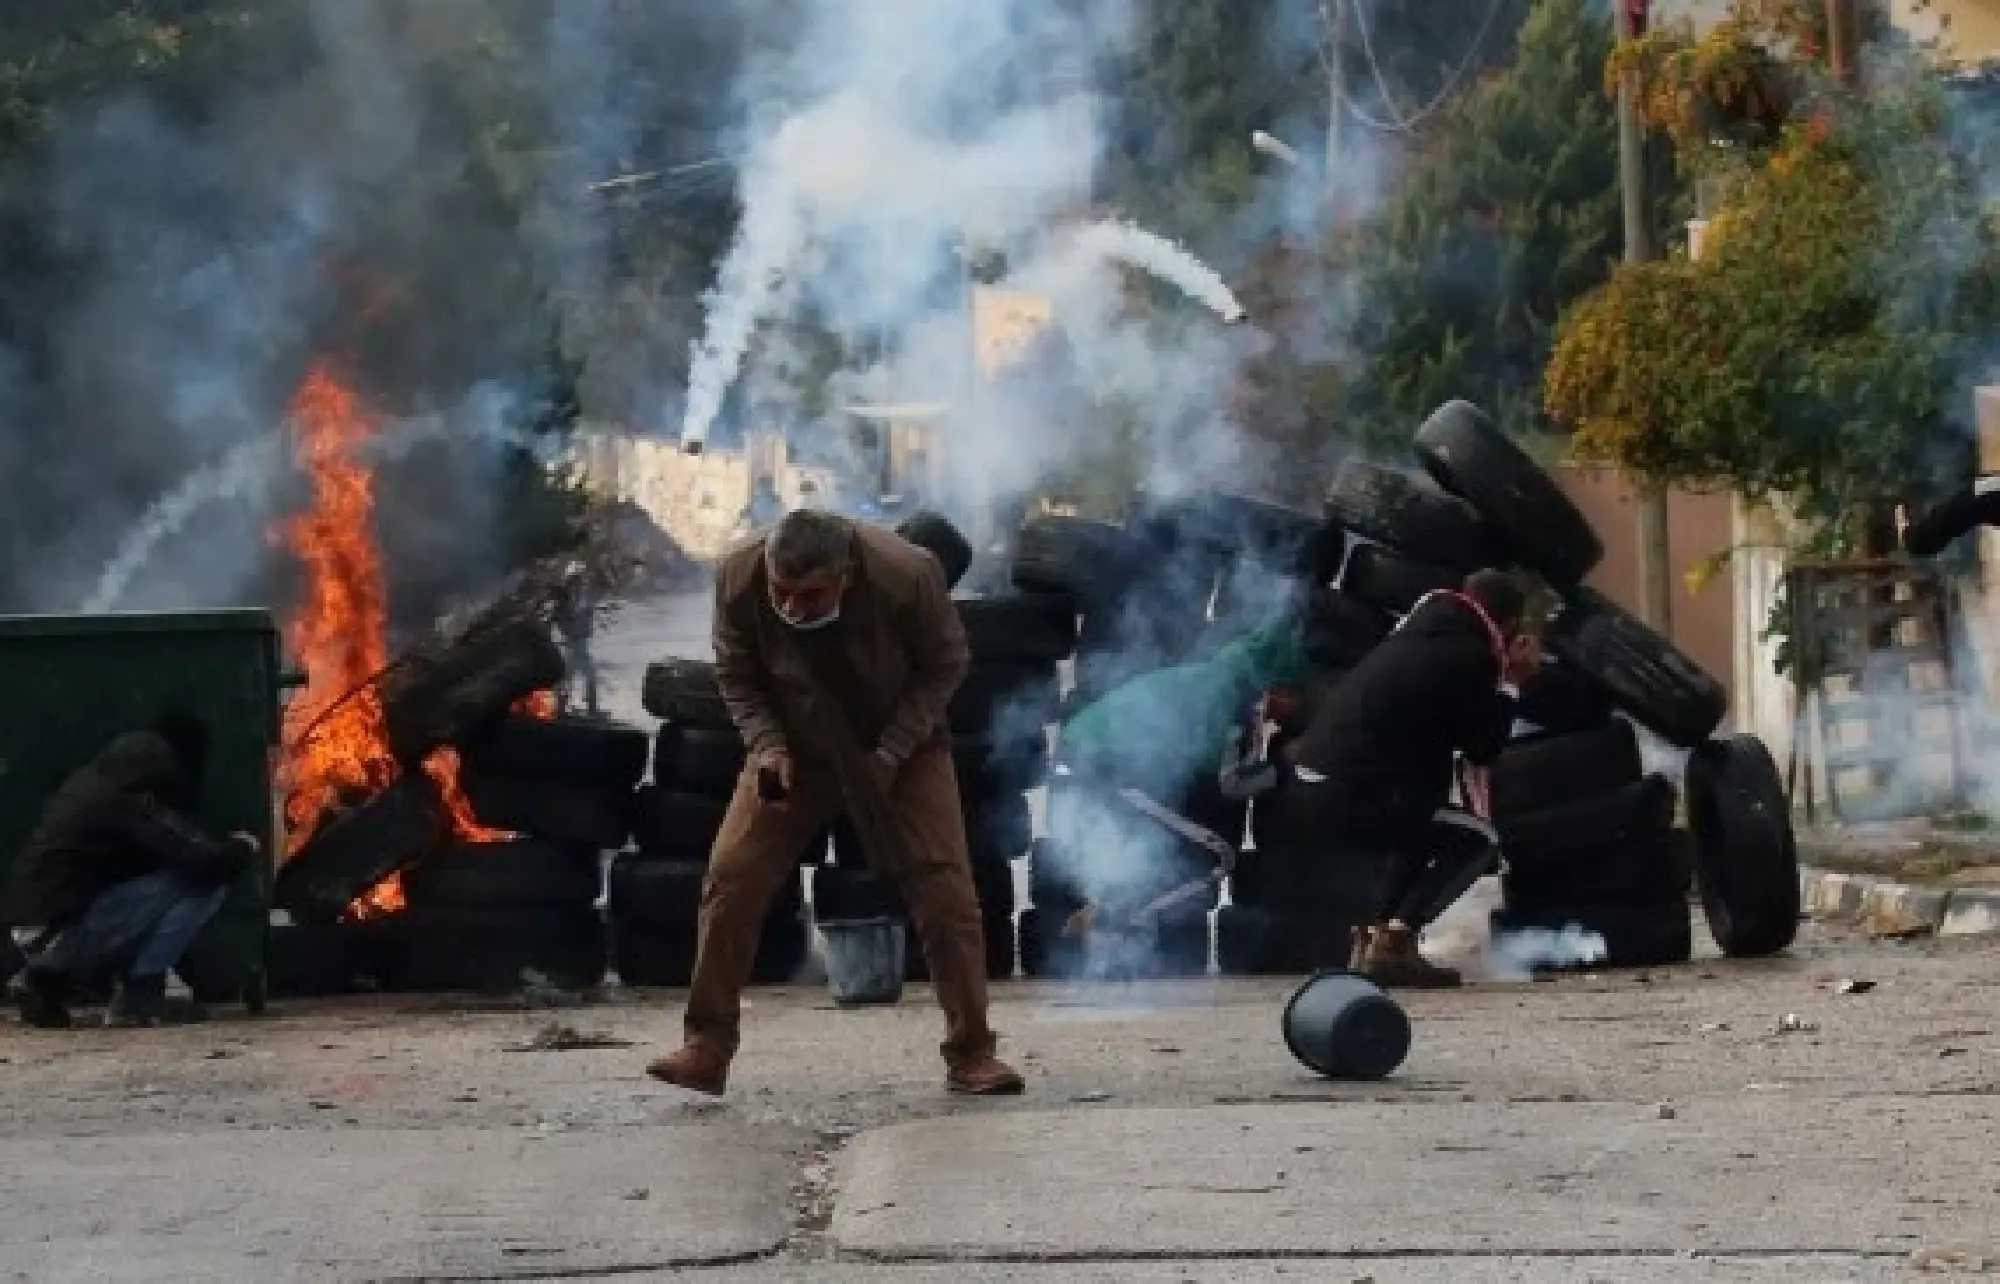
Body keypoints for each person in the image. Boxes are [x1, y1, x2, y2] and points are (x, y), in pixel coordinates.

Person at [644, 508, 1024, 1097]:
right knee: (731, 876)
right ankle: (707, 1046)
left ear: (846, 576)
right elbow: (736, 673)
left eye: (810, 596)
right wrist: (767, 747)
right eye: (782, 594)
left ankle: (971, 1053)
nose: (792, 609)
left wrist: (894, 751)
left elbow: (947, 665)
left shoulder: (909, 575)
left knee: (946, 890)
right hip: (796, 747)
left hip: (903, 745)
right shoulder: (739, 576)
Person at [1265, 569, 1543, 988]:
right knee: (1479, 839)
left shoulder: (1411, 635)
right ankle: (1396, 939)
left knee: (1424, 821)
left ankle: (1377, 940)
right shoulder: (1469, 653)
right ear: (1505, 625)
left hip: (1306, 791)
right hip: (1353, 795)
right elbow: (1484, 747)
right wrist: (1511, 684)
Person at [5, 711, 260, 1028]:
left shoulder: (83, 787)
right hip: (62, 932)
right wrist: (243, 847)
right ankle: (140, 995)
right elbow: (206, 863)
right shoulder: (127, 804)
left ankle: (41, 981)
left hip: (29, 934)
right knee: (204, 887)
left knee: (136, 896)